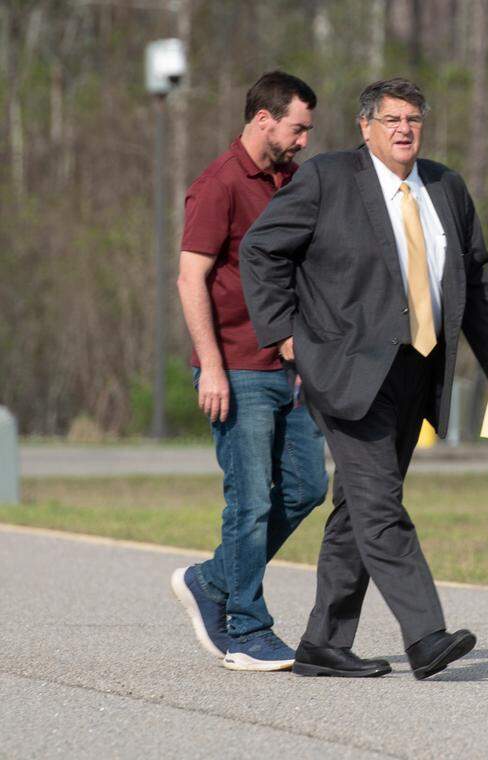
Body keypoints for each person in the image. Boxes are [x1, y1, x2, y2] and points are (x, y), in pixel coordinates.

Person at [240, 77, 488, 679]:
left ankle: (323, 642)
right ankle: (425, 635)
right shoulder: (327, 178)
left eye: (414, 118)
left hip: (418, 372)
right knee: (378, 504)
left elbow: (476, 275)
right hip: (344, 369)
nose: (404, 128)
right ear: (364, 126)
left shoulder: (446, 186)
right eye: (392, 118)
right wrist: (284, 332)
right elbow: (262, 249)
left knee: (358, 508)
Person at [170, 71, 328, 672]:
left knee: (308, 486)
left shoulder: (290, 181)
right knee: (250, 500)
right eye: (299, 127)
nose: (305, 140)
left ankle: (212, 579)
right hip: (234, 366)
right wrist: (210, 366)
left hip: (288, 366)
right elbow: (191, 278)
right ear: (265, 119)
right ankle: (245, 630)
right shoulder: (219, 185)